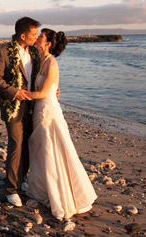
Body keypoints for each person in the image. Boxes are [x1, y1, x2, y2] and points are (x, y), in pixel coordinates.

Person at [26, 28, 97, 222]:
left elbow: (43, 93)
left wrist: (19, 94)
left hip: (48, 112)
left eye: (40, 36)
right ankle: (45, 189)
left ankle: (63, 196)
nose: (37, 38)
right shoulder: (39, 59)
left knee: (53, 151)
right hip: (39, 110)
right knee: (41, 151)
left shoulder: (52, 64)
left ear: (47, 43)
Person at [0, 17, 40, 207]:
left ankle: (21, 181)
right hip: (13, 106)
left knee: (28, 144)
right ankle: (11, 189)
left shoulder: (34, 52)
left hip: (33, 105)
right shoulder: (2, 51)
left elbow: (39, 75)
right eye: (34, 34)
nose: (37, 37)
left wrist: (52, 90)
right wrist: (14, 92)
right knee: (16, 144)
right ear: (23, 35)